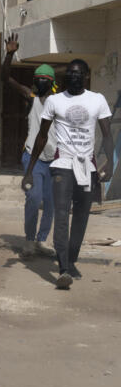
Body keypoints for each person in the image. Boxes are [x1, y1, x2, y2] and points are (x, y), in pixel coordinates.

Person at [23, 59, 114, 290]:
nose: (73, 76)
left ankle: (71, 259)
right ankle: (63, 268)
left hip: (88, 167)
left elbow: (107, 134)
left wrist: (109, 164)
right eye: (70, 73)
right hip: (62, 164)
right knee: (62, 214)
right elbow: (42, 136)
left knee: (82, 216)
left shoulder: (97, 100)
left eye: (78, 73)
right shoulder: (54, 100)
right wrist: (30, 170)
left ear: (86, 75)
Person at [2, 34, 57, 259]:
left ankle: (42, 241)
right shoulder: (31, 97)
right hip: (32, 158)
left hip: (55, 159)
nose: (41, 81)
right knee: (33, 199)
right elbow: (6, 79)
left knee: (51, 203)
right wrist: (9, 54)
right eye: (38, 78)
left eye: (45, 78)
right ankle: (29, 240)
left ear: (52, 82)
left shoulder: (60, 100)